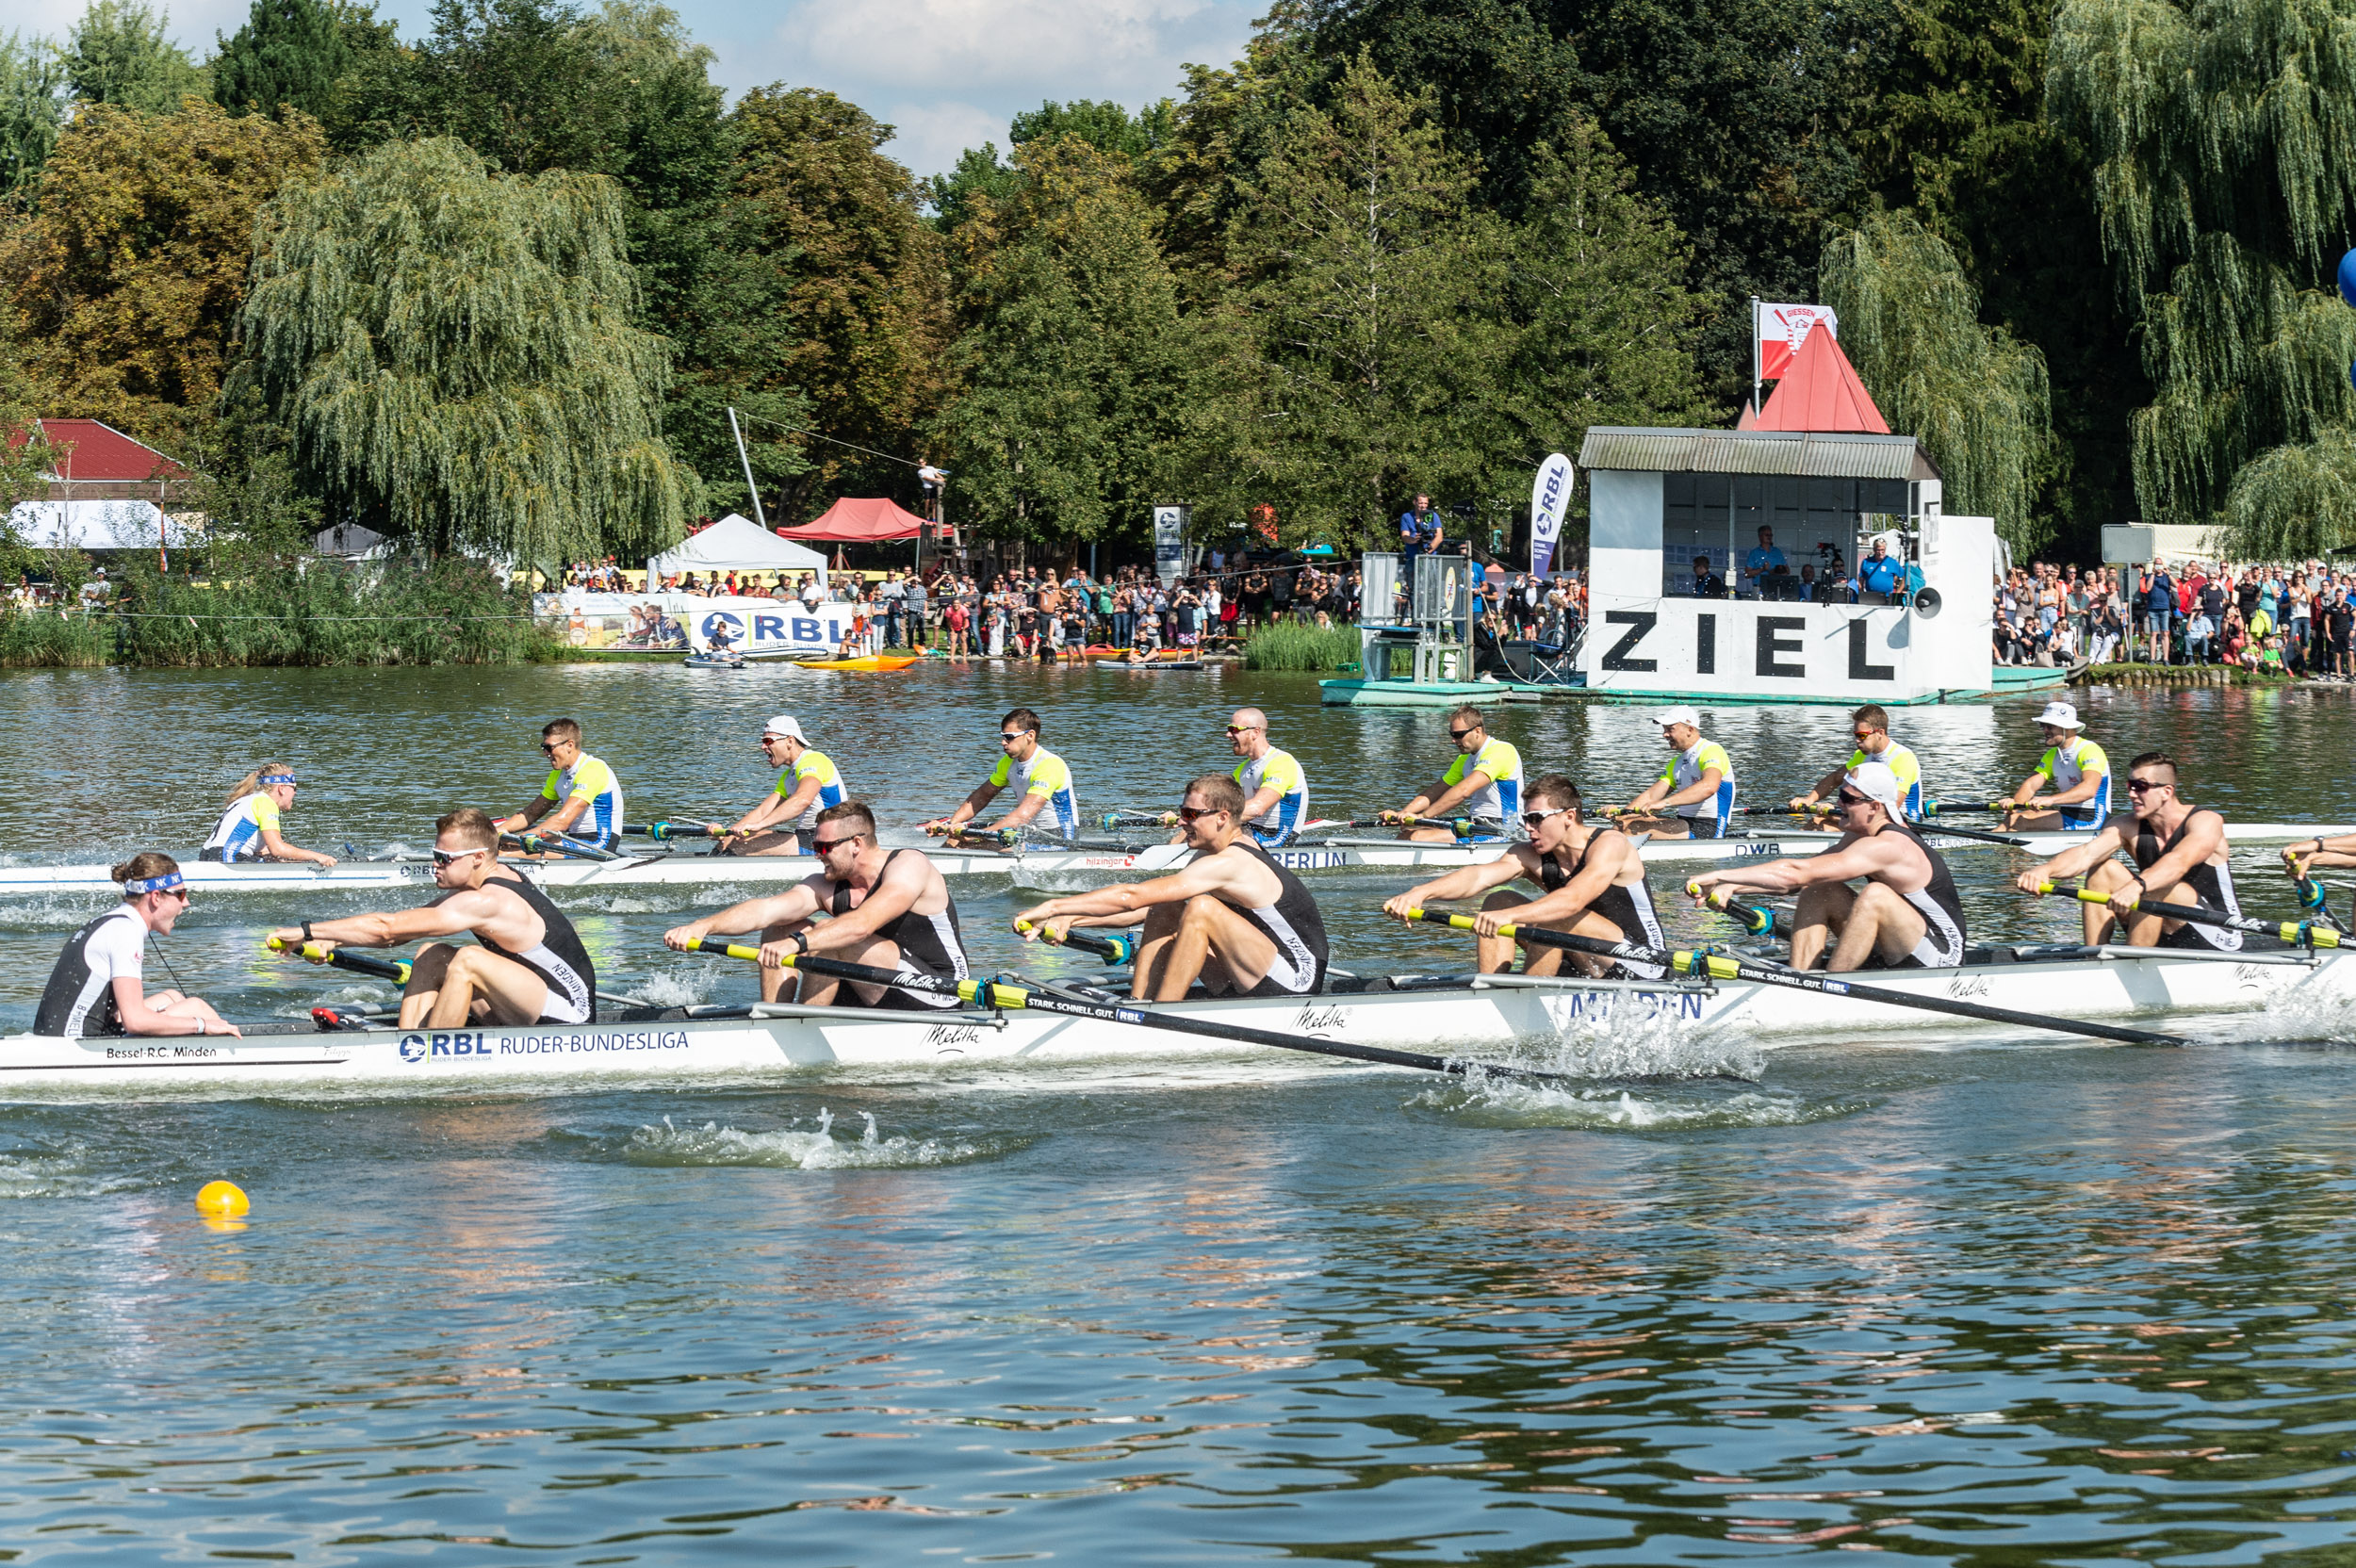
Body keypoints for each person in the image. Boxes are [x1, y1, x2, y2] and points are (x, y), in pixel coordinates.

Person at [1012, 774, 1328, 1001]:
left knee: (1201, 908)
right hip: (1252, 970)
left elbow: (1131, 896)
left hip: (1295, 982)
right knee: (1170, 903)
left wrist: (1054, 906)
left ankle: (1162, 1016)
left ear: (1222, 817)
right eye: (1181, 813)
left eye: (1191, 815)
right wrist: (1074, 919)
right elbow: (1143, 909)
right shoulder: (1212, 854)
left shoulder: (1233, 862)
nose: (1181, 822)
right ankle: (1140, 1003)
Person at [270, 808, 597, 1027]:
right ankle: (408, 1042)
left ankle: (431, 1053)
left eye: (444, 858)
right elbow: (404, 929)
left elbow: (387, 930)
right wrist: (332, 939)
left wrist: (306, 931)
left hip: (568, 1015)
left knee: (469, 960)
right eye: (435, 856)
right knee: (432, 954)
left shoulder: (490, 901)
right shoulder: (487, 880)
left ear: (478, 858)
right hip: (525, 1001)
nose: (434, 865)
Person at [663, 801, 969, 1009]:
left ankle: (803, 1025)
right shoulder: (825, 883)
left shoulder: (909, 865)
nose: (816, 854)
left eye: (823, 847)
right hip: (873, 984)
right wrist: (702, 926)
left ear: (856, 844)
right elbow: (765, 910)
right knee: (782, 926)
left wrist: (799, 944)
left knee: (830, 934)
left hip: (939, 990)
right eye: (814, 846)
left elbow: (861, 926)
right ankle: (777, 1020)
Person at [1690, 760, 1967, 972]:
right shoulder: (1862, 835)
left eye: (1847, 799)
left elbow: (1796, 872)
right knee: (1819, 887)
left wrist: (1720, 873)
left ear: (1874, 806)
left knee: (1876, 896)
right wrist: (1730, 887)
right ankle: (1800, 982)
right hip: (1899, 943)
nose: (1837, 804)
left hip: (1942, 957)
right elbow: (1801, 878)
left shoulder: (1889, 846)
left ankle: (1832, 988)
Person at [1381, 775, 1665, 979]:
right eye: (1526, 819)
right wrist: (1419, 893)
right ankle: (1494, 992)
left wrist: (1513, 917)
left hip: (1643, 962)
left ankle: (1526, 996)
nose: (1528, 828)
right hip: (1580, 954)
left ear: (1568, 816)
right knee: (1498, 900)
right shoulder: (1530, 853)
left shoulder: (1610, 844)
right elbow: (1477, 876)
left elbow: (1572, 901)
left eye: (1536, 818)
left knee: (1555, 913)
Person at [2019, 752, 2239, 949]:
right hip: (2159, 922)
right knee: (2103, 870)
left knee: (2156, 884)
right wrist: (2045, 870)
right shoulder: (2126, 825)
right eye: (2129, 786)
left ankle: (2132, 964)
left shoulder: (2206, 821)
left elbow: (2178, 861)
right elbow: (2085, 854)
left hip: (2220, 932)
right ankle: (2095, 958)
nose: (2132, 794)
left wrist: (2137, 886)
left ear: (2166, 791)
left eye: (2141, 787)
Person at [36, 854, 240, 1038]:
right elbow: (135, 1021)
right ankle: (235, 1052)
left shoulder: (111, 920)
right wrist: (202, 1025)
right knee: (196, 1008)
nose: (185, 903)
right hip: (77, 1043)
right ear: (156, 897)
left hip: (62, 1032)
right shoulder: (126, 931)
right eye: (180, 894)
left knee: (172, 997)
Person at [925, 707, 1082, 841]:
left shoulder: (1048, 765)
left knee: (973, 842)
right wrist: (951, 825)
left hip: (1059, 837)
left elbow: (1021, 817)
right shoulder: (1007, 762)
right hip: (1030, 833)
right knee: (956, 840)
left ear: (1030, 736)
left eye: (1009, 737)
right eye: (1003, 737)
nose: (1003, 742)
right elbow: (982, 796)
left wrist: (976, 836)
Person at [706, 715, 847, 857]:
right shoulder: (788, 776)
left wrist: (759, 826)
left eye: (768, 741)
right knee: (731, 842)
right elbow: (762, 813)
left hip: (830, 844)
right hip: (807, 838)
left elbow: (802, 800)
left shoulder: (815, 760)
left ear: (789, 741)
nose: (763, 746)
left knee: (740, 844)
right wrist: (728, 833)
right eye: (763, 742)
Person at [1382, 706, 1521, 843]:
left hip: (1504, 829)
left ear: (1477, 731)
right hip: (1478, 823)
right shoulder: (1465, 759)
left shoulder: (1502, 750)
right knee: (1407, 834)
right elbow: (1437, 790)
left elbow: (1463, 791)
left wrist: (1422, 816)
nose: (1453, 740)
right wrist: (1402, 814)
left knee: (1417, 837)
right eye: (1452, 735)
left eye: (1458, 735)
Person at [495, 718, 626, 852]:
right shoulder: (557, 775)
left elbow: (562, 822)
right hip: (575, 839)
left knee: (504, 852)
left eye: (549, 748)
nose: (545, 753)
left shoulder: (593, 769)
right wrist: (496, 831)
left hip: (599, 844)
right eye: (543, 747)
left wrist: (517, 840)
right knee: (502, 847)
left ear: (569, 745)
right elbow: (531, 813)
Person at [1616, 706, 1736, 840]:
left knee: (1632, 829)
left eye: (1670, 729)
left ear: (1690, 729)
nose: (1665, 734)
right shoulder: (1676, 762)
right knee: (1621, 825)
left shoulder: (1711, 750)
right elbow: (1651, 796)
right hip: (1684, 823)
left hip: (1708, 827)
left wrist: (1665, 803)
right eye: (1664, 729)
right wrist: (1620, 814)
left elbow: (1708, 787)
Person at [1791, 706, 1922, 821]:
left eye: (1862, 735)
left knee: (1825, 820)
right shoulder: (1861, 756)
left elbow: (1890, 809)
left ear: (1880, 733)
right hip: (1870, 818)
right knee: (1817, 822)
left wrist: (1836, 813)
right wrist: (1809, 799)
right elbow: (1836, 778)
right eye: (1855, 735)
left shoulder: (1903, 758)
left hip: (1902, 823)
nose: (1857, 741)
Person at [1998, 700, 2110, 831]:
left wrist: (2050, 800)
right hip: (2066, 813)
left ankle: (1990, 849)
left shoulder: (2089, 750)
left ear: (2067, 728)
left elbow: (2088, 790)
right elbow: (2030, 786)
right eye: (2043, 725)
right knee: (2013, 819)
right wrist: (2013, 805)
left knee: (2019, 823)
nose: (2045, 730)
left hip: (2092, 818)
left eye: (2050, 726)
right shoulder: (2052, 754)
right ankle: (2000, 848)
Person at [200, 763, 336, 866]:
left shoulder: (247, 799)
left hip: (207, 857)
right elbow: (278, 849)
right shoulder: (266, 803)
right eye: (294, 788)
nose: (295, 793)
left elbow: (265, 851)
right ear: (282, 788)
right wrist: (320, 857)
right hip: (227, 860)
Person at [1225, 708, 1310, 847]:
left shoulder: (1281, 762)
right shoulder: (1241, 770)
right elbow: (1220, 806)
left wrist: (1211, 819)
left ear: (1255, 732)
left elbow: (1258, 808)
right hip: (1248, 831)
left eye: (1234, 729)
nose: (1227, 734)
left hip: (1277, 836)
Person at [1742, 526, 1790, 599]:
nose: (1769, 537)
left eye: (1771, 535)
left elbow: (1787, 571)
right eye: (1767, 535)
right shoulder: (1754, 553)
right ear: (1760, 536)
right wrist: (1762, 569)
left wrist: (1776, 572)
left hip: (1776, 588)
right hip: (1759, 588)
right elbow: (1747, 574)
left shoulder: (1777, 552)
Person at [1855, 536, 1906, 603]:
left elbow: (1905, 576)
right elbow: (1861, 580)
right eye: (1878, 550)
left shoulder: (1892, 562)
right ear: (1874, 550)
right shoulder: (1866, 562)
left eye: (1882, 550)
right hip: (1870, 597)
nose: (1880, 552)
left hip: (1888, 597)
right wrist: (1862, 594)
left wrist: (1897, 593)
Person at [1399, 493, 1443, 566]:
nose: (1423, 506)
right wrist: (1413, 539)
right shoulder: (1406, 516)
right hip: (1412, 557)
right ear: (1415, 502)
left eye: (1426, 503)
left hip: (1430, 558)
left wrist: (1427, 551)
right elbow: (1404, 536)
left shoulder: (1433, 515)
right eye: (1421, 503)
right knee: (1411, 577)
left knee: (1430, 577)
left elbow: (1439, 536)